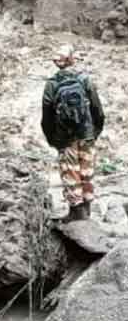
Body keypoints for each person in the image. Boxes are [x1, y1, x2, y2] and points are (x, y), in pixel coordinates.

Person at [41, 45, 105, 222]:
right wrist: (94, 131)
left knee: (70, 173)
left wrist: (53, 139)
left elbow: (47, 116)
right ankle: (87, 209)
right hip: (87, 133)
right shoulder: (85, 79)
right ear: (72, 59)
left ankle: (75, 213)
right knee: (87, 170)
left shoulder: (52, 84)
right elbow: (97, 109)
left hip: (65, 137)